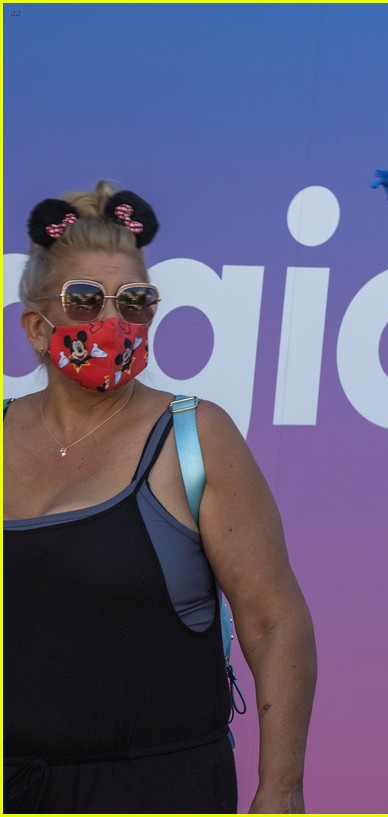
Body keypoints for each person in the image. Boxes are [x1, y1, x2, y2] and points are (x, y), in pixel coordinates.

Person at [4, 181, 318, 813]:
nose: (114, 321)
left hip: (158, 790)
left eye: (137, 301)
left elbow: (275, 621)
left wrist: (280, 791)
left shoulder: (195, 434)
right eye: (87, 300)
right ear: (37, 328)